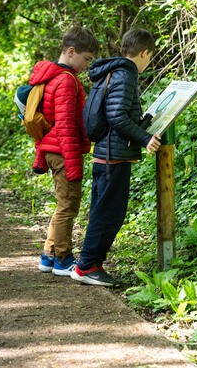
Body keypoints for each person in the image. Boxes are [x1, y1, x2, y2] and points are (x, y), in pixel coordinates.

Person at [71, 28, 161, 286]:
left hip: (108, 153)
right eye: (150, 57)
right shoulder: (125, 74)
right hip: (113, 156)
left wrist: (143, 123)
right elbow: (117, 117)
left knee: (106, 211)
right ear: (144, 53)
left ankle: (91, 264)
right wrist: (145, 139)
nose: (148, 62)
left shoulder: (115, 71)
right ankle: (87, 266)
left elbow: (118, 113)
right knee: (108, 213)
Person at [29, 27, 99, 276]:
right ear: (71, 52)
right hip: (63, 151)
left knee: (62, 205)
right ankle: (63, 258)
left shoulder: (49, 76)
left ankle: (49, 255)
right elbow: (66, 126)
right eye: (86, 58)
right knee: (68, 206)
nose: (87, 64)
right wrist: (73, 165)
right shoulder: (67, 81)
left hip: (53, 149)